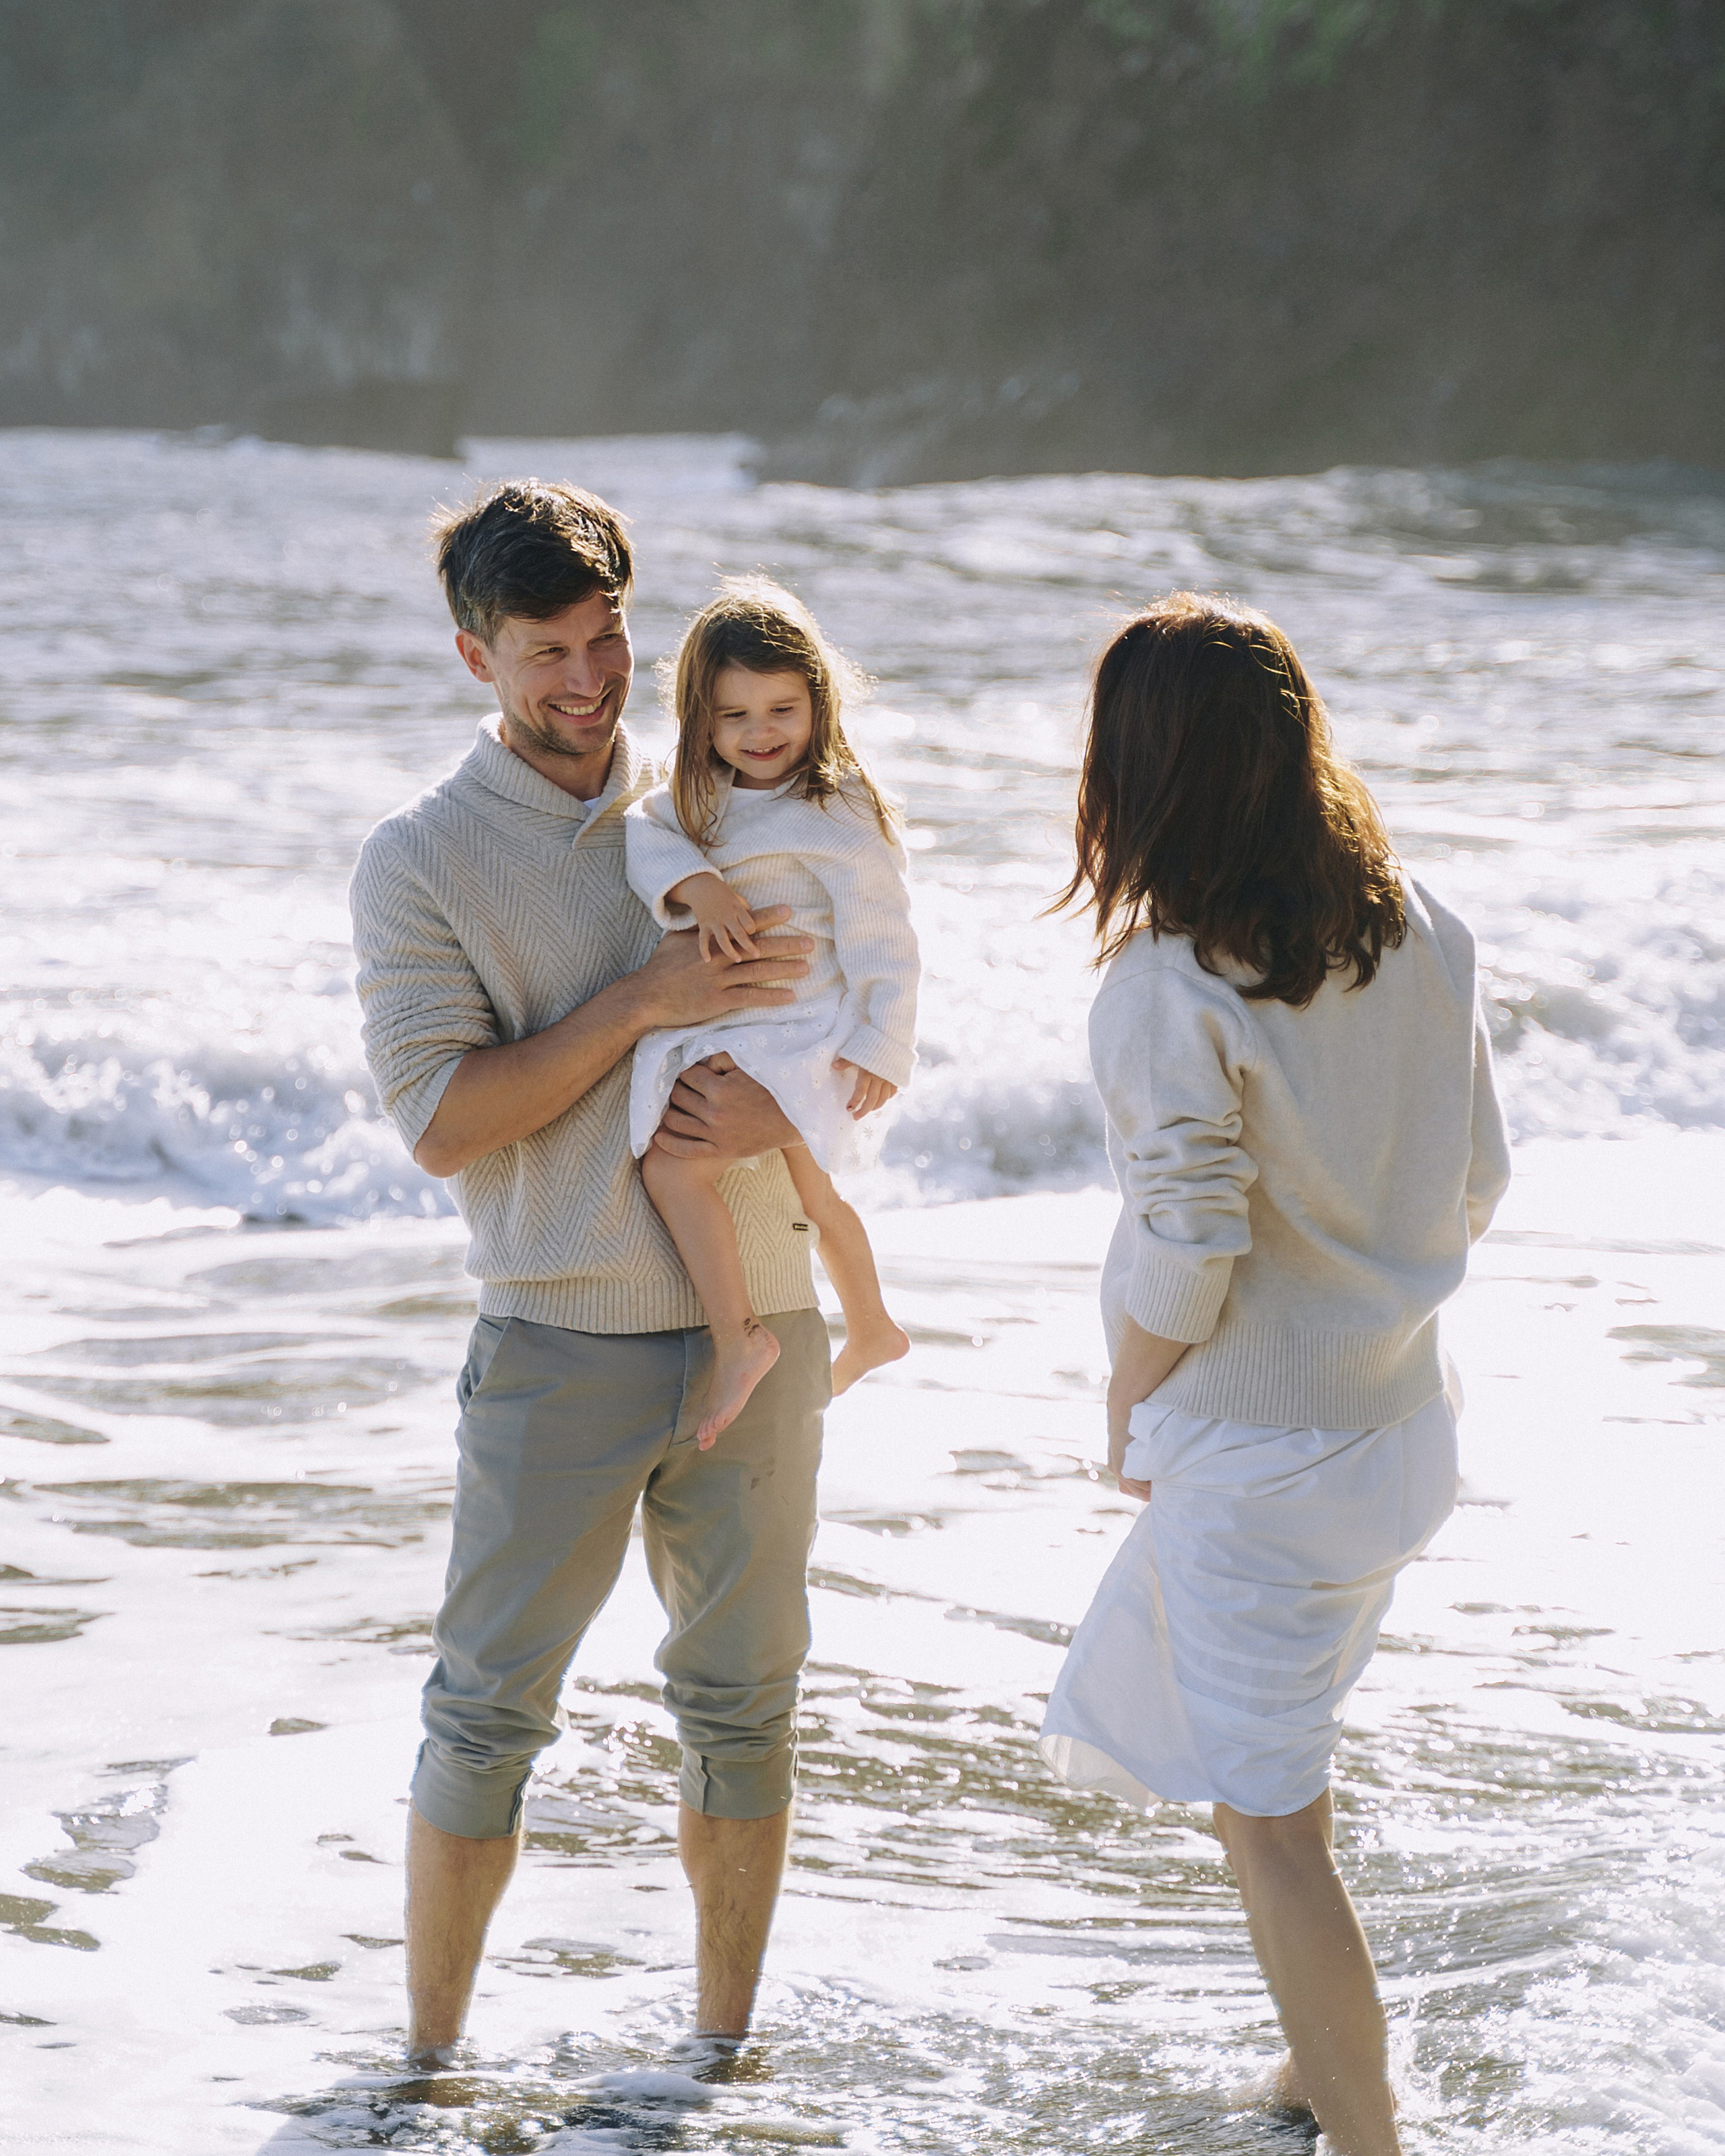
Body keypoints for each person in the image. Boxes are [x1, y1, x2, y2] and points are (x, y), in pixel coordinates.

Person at [349, 480, 834, 2065]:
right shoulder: (418, 860)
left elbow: (857, 1024)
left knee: (746, 1708)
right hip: (559, 1337)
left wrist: (809, 1098)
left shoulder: (731, 793)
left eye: (607, 636)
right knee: (486, 1717)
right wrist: (637, 1002)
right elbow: (441, 1123)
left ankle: (719, 2065)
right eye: (544, 647)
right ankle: (422, 2074)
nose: (584, 677)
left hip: (758, 1318)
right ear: (472, 652)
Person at [1038, 594, 1510, 2156]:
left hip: (1258, 1459)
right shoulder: (1421, 927)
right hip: (1398, 1428)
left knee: (1271, 1824)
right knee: (1273, 1773)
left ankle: (1371, 2141)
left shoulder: (1167, 986)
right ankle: (1319, 2083)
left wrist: (1123, 1401)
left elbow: (1185, 1251)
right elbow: (1477, 1182)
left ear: (1143, 778)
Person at [623, 579, 917, 1446]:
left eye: (782, 708)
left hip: (800, 1029)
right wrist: (698, 886)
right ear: (699, 720)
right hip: (744, 1026)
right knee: (814, 1192)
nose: (761, 734)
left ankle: (737, 1337)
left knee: (674, 1170)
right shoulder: (698, 799)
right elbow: (646, 832)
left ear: (818, 704)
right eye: (734, 716)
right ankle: (871, 1325)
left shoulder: (837, 807)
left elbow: (886, 938)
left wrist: (881, 1044)